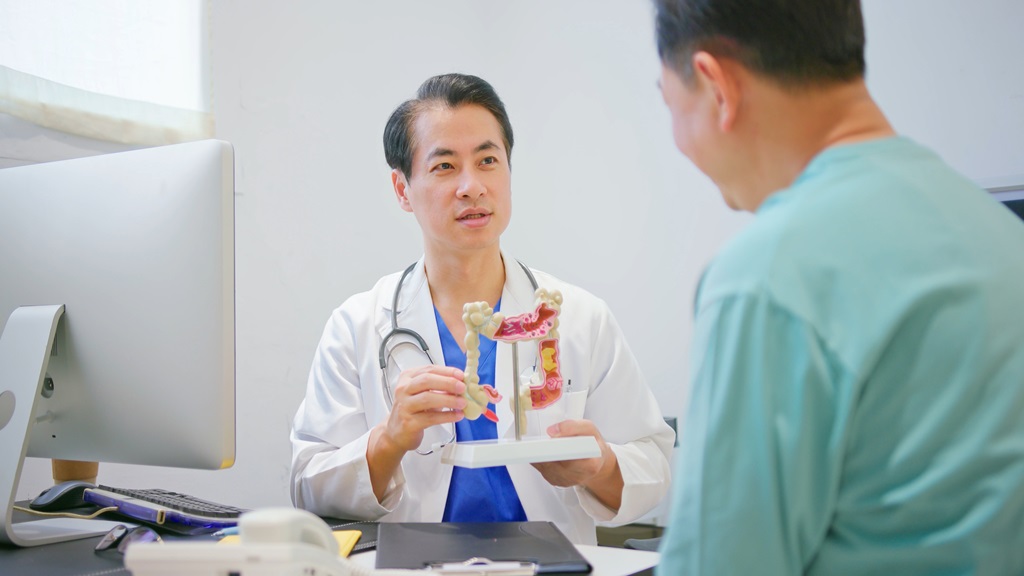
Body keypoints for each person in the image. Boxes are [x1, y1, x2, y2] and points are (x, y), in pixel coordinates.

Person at [651, 1, 1024, 574]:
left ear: (715, 84)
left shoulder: (767, 278)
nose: (679, 139)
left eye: (669, 105)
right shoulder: (999, 233)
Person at [289, 73, 674, 545]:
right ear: (402, 189)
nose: (472, 186)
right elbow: (308, 484)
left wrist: (599, 465)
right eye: (445, 166)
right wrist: (388, 441)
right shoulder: (356, 327)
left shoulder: (579, 318)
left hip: (550, 566)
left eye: (488, 160)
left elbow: (654, 461)